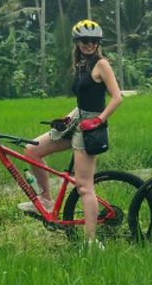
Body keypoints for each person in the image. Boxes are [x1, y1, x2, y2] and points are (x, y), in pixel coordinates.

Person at [19, 19, 124, 241]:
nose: (90, 45)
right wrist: (67, 119)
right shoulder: (81, 65)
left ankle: (91, 242)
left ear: (98, 43)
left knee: (84, 186)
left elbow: (117, 98)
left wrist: (98, 120)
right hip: (76, 119)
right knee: (32, 150)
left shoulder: (101, 64)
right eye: (85, 41)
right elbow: (83, 102)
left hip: (91, 127)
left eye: (94, 41)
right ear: (77, 42)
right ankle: (46, 200)